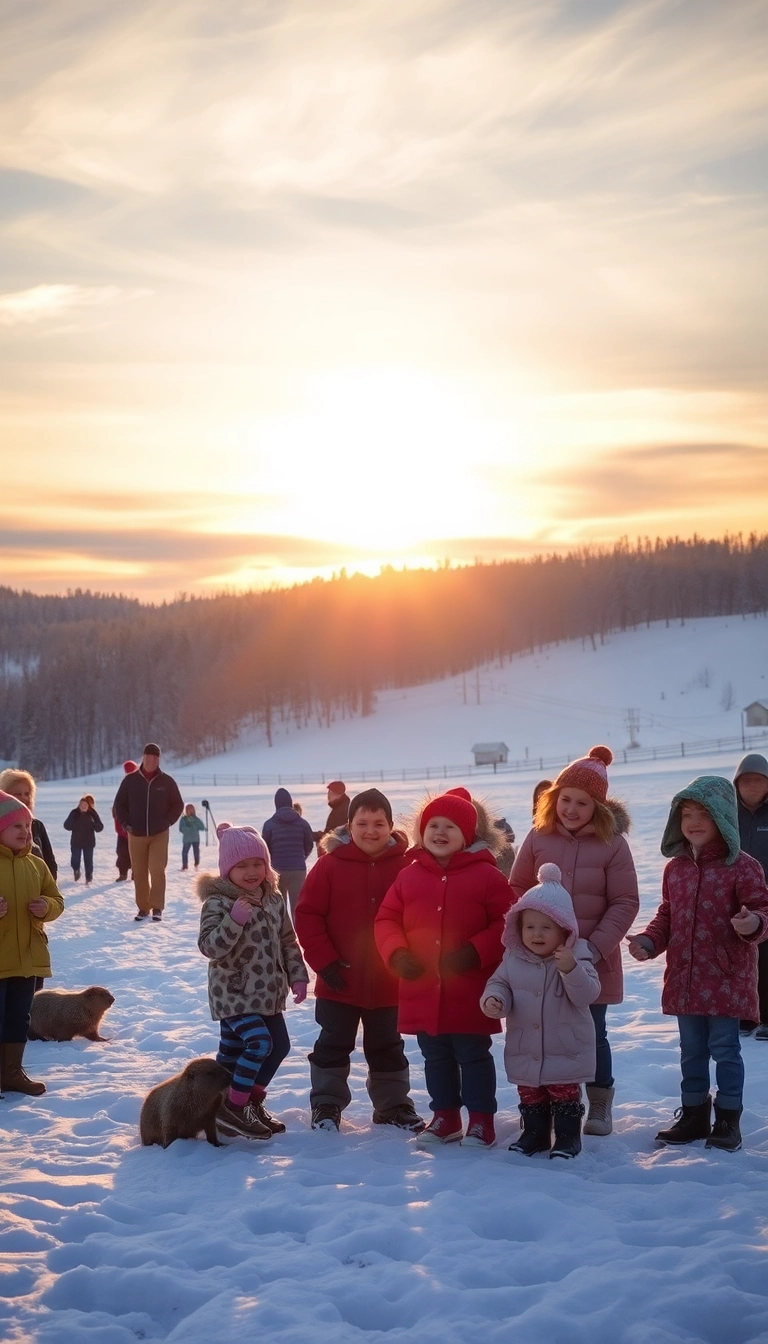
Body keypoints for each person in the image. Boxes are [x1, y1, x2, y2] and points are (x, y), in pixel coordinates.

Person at [628, 776, 768, 1152]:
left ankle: (727, 1120)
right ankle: (692, 1115)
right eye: (686, 813)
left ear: (723, 816)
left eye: (703, 813)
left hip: (725, 977)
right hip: (686, 978)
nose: (693, 821)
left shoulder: (743, 866)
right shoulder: (676, 868)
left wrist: (752, 923)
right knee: (691, 1051)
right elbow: (668, 915)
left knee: (725, 1048)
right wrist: (648, 941)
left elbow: (761, 910)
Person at [509, 747, 639, 1138]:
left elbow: (625, 901)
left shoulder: (613, 843)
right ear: (553, 798)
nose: (571, 808)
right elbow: (516, 887)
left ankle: (598, 1101)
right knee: (544, 1030)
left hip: (592, 959)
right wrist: (523, 939)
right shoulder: (538, 836)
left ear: (598, 807)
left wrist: (594, 948)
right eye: (565, 799)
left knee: (590, 1031)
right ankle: (544, 1104)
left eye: (582, 802)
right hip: (538, 959)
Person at [375, 787, 511, 1149]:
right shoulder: (409, 875)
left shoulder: (487, 876)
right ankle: (445, 1117)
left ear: (468, 834)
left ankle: (482, 1121)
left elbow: (507, 922)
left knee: (473, 1055)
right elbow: (386, 919)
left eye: (450, 826)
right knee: (435, 1057)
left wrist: (475, 951)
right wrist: (397, 953)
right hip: (422, 986)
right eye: (432, 824)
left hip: (468, 988)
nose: (439, 832)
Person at [295, 787, 423, 1134]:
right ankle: (326, 1103)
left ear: (391, 825)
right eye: (362, 823)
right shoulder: (329, 866)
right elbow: (307, 915)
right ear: (348, 826)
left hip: (389, 980)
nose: (371, 831)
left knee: (388, 1045)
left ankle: (393, 1105)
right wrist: (324, 962)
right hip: (339, 978)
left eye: (378, 823)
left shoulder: (407, 866)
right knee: (333, 1043)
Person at [198, 822, 309, 1142]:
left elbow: (288, 941)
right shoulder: (218, 903)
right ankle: (234, 1107)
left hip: (268, 993)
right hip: (232, 992)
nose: (251, 871)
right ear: (226, 870)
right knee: (260, 1043)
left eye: (258, 863)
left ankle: (244, 1102)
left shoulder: (273, 900)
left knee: (264, 1049)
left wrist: (297, 976)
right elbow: (209, 947)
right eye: (242, 865)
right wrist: (234, 921)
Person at [482, 862, 600, 1159]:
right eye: (529, 927)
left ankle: (567, 1136)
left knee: (564, 1095)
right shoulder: (513, 959)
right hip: (526, 1045)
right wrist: (494, 1000)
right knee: (530, 1093)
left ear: (564, 931)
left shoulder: (578, 955)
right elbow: (499, 984)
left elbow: (587, 994)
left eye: (546, 927)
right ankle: (534, 1133)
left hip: (565, 1047)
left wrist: (570, 969)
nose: (537, 934)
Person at [0, 789, 64, 1096]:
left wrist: (46, 907)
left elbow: (57, 899)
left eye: (28, 826)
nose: (26, 832)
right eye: (17, 826)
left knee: (18, 1017)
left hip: (26, 958)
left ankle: (12, 1071)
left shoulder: (36, 865)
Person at [112, 743, 184, 922]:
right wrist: (126, 824)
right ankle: (143, 908)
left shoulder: (167, 782)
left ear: (159, 759)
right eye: (148, 756)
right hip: (135, 834)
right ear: (143, 757)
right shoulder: (130, 781)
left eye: (155, 757)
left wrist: (167, 821)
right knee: (139, 871)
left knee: (157, 868)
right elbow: (119, 805)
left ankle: (157, 907)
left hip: (159, 833)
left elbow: (178, 805)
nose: (151, 760)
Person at [733, 753, 768, 1038]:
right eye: (746, 780)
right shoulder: (728, 815)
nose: (752, 786)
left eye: (759, 780)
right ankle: (746, 1015)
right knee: (743, 958)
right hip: (737, 898)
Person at [262, 788, 315, 916]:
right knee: (298, 907)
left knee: (279, 907)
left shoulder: (269, 824)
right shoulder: (303, 823)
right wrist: (301, 857)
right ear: (290, 803)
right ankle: (301, 935)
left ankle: (283, 935)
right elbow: (309, 844)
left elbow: (265, 848)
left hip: (277, 870)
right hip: (298, 869)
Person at [0, 769, 57, 879]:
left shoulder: (37, 826)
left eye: (27, 793)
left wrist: (47, 894)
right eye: (18, 794)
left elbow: (50, 863)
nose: (24, 798)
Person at [63, 796, 104, 885]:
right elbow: (66, 826)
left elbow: (100, 827)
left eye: (85, 805)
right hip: (76, 841)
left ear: (89, 806)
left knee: (88, 860)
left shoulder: (92, 814)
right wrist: (72, 821)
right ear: (79, 805)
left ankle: (88, 876)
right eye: (81, 804)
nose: (83, 806)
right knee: (75, 859)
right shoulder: (74, 813)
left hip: (89, 842)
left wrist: (93, 824)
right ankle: (76, 870)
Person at [112, 761, 137, 881]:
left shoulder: (140, 786)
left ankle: (135, 872)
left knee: (136, 852)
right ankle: (123, 873)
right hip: (123, 827)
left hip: (136, 828)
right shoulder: (124, 786)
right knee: (122, 852)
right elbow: (117, 805)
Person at [179, 803, 205, 871]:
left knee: (195, 852)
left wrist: (194, 824)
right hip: (188, 839)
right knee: (186, 852)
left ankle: (196, 865)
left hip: (194, 838)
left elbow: (202, 827)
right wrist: (189, 828)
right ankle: (185, 866)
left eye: (191, 809)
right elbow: (181, 829)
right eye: (188, 809)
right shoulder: (184, 819)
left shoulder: (196, 819)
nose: (190, 811)